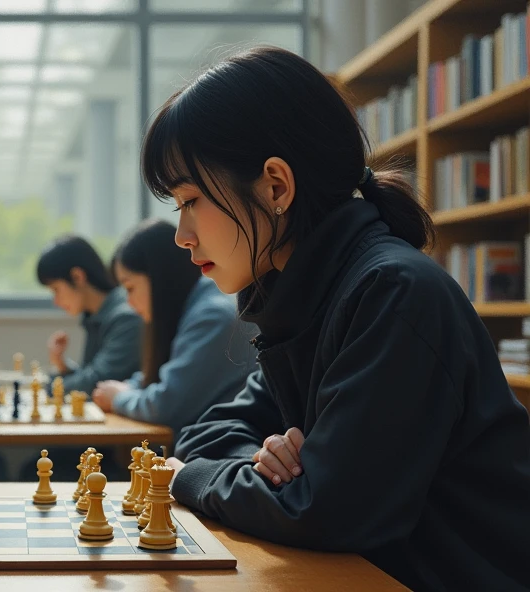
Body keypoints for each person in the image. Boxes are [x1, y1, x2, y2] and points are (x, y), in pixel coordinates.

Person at [145, 46, 530, 590]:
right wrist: (259, 462)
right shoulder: (311, 295)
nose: (182, 236)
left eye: (189, 201)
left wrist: (191, 480)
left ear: (275, 186)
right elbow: (205, 433)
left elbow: (325, 510)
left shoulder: (390, 294)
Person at [91, 219, 257, 431]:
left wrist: (119, 397)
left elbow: (164, 407)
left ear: (160, 278)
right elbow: (160, 377)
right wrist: (128, 389)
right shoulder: (195, 306)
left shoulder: (212, 316)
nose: (129, 303)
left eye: (130, 288)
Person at [36, 235, 142, 393]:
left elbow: (97, 382)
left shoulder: (126, 317)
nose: (56, 301)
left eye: (56, 290)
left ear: (77, 276)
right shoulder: (96, 315)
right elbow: (92, 373)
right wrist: (63, 366)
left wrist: (49, 388)